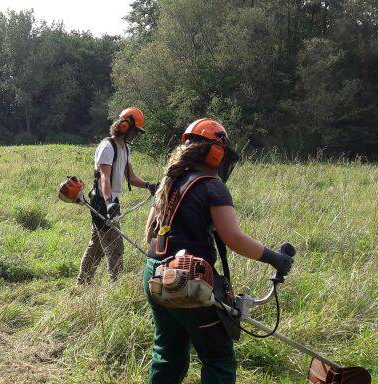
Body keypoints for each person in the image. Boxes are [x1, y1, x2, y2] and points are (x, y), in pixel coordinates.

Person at [142, 118, 293, 384]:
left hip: (154, 273)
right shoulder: (212, 186)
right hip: (188, 278)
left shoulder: (169, 182)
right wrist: (275, 259)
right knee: (218, 357)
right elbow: (233, 238)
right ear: (216, 153)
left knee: (168, 353)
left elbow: (148, 234)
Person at [76, 107, 157, 285]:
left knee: (96, 246)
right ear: (125, 126)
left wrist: (149, 185)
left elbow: (131, 177)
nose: (136, 135)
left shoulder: (125, 148)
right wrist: (109, 203)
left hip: (111, 201)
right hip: (102, 201)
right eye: (136, 131)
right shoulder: (107, 147)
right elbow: (105, 178)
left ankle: (82, 283)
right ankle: (116, 286)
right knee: (115, 247)